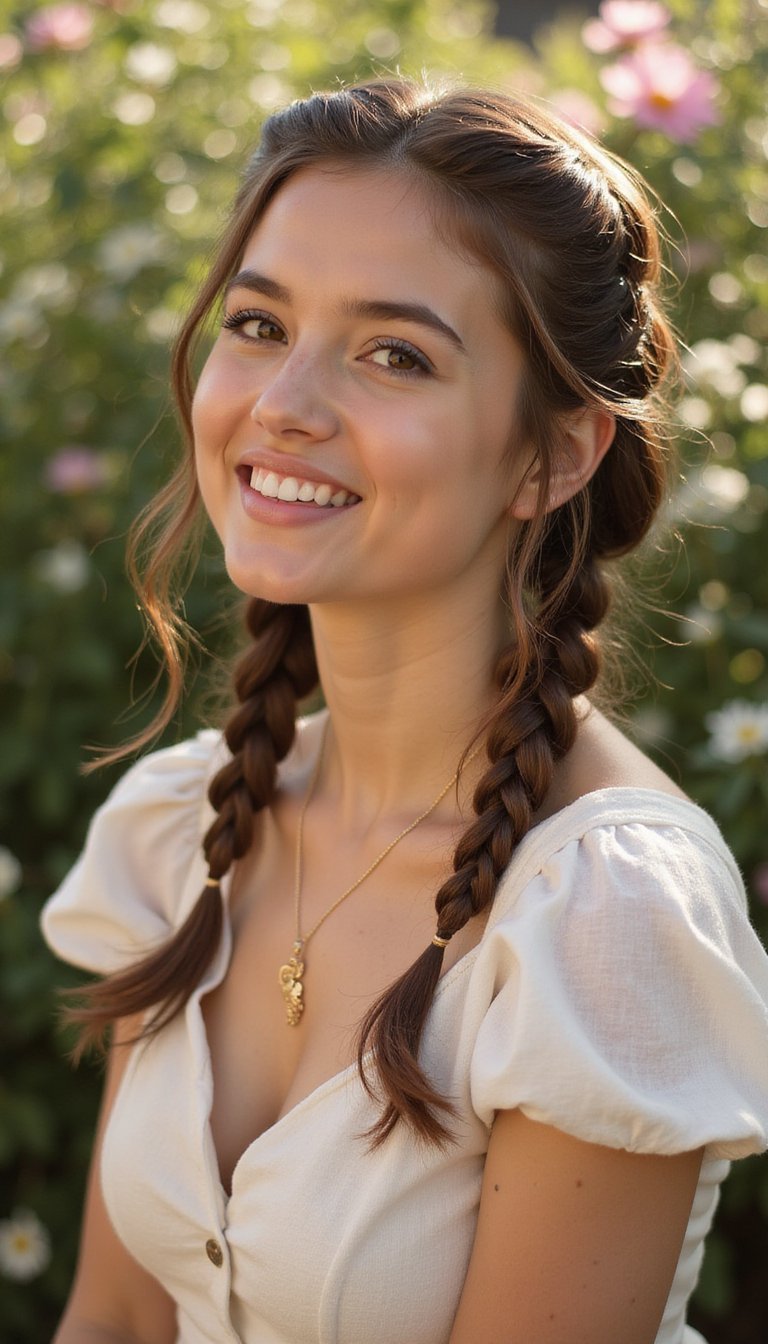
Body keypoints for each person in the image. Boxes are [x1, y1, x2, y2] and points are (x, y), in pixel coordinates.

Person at [41, 77, 768, 1344]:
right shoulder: (185, 828)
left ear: (556, 453)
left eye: (395, 354)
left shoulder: (602, 917)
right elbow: (115, 1320)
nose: (284, 404)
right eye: (259, 324)